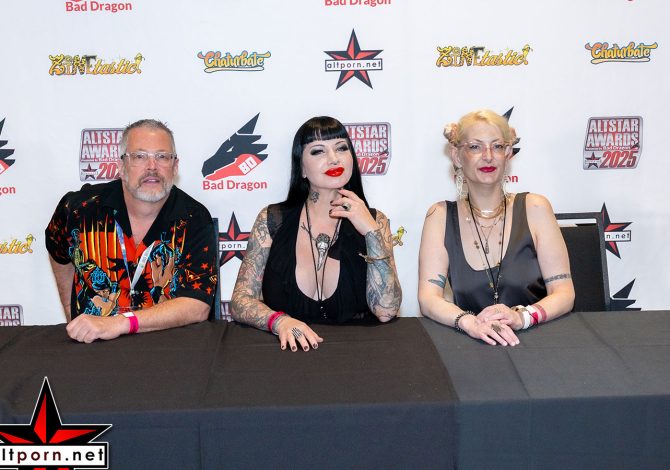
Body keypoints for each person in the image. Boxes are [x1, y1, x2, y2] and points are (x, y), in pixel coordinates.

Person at [231, 116, 402, 352]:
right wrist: (279, 321)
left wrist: (371, 232)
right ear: (301, 167)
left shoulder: (376, 221)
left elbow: (386, 311)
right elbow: (240, 301)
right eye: (318, 151)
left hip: (359, 357)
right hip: (286, 355)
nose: (334, 158)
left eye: (341, 148)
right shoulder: (272, 220)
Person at [45, 119, 218, 343]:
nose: (152, 166)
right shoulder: (79, 210)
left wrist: (121, 322)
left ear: (175, 167)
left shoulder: (194, 218)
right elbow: (57, 250)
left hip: (169, 347)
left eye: (162, 157)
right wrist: (71, 311)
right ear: (121, 166)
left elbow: (197, 305)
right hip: (94, 347)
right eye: (139, 156)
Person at [418, 109, 574, 346]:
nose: (488, 156)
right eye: (475, 147)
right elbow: (428, 299)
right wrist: (470, 323)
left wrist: (522, 317)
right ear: (457, 156)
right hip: (472, 346)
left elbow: (564, 293)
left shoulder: (535, 207)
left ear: (508, 154)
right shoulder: (439, 216)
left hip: (538, 345)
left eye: (497, 146)